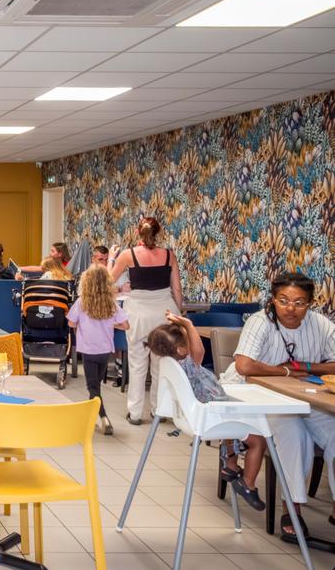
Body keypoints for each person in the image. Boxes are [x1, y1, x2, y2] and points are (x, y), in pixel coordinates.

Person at [221, 272, 335, 536]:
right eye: (283, 300)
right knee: (293, 432)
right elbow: (244, 366)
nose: (290, 308)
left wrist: (305, 367)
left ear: (310, 303)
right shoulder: (260, 322)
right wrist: (284, 371)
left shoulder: (320, 324)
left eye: (299, 302)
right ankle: (292, 510)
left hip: (306, 397)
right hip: (260, 397)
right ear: (273, 300)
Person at [148, 313, 267, 510]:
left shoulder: (171, 365)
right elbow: (200, 350)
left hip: (207, 413)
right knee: (259, 440)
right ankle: (248, 483)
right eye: (187, 341)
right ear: (181, 349)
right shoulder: (188, 366)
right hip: (213, 416)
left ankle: (230, 466)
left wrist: (186, 328)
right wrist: (188, 324)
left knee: (235, 423)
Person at [110, 217, 184, 424]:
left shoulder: (128, 255)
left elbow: (108, 281)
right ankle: (158, 411)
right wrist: (179, 315)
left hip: (138, 313)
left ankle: (135, 413)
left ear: (137, 232)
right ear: (158, 233)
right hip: (165, 312)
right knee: (161, 365)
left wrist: (112, 262)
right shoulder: (169, 255)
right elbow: (177, 288)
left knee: (137, 365)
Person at [67, 265, 129, 435]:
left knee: (93, 387)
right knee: (96, 386)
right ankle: (92, 418)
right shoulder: (111, 304)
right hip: (105, 351)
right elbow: (125, 325)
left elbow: (71, 322)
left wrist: (81, 325)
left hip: (88, 350)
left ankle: (104, 418)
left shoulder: (81, 302)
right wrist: (110, 324)